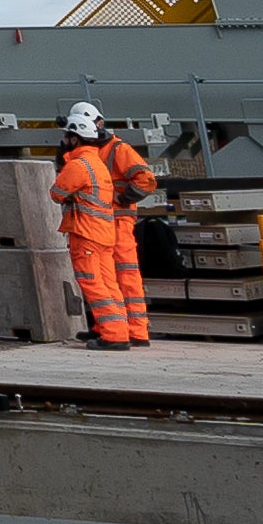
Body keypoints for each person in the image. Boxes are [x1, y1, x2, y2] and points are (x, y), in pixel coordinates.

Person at [51, 100, 157, 347]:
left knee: (122, 276)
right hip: (105, 221)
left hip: (115, 221)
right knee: (110, 278)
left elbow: (146, 180)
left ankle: (134, 331)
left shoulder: (116, 149)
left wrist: (119, 199)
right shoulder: (92, 152)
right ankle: (111, 328)